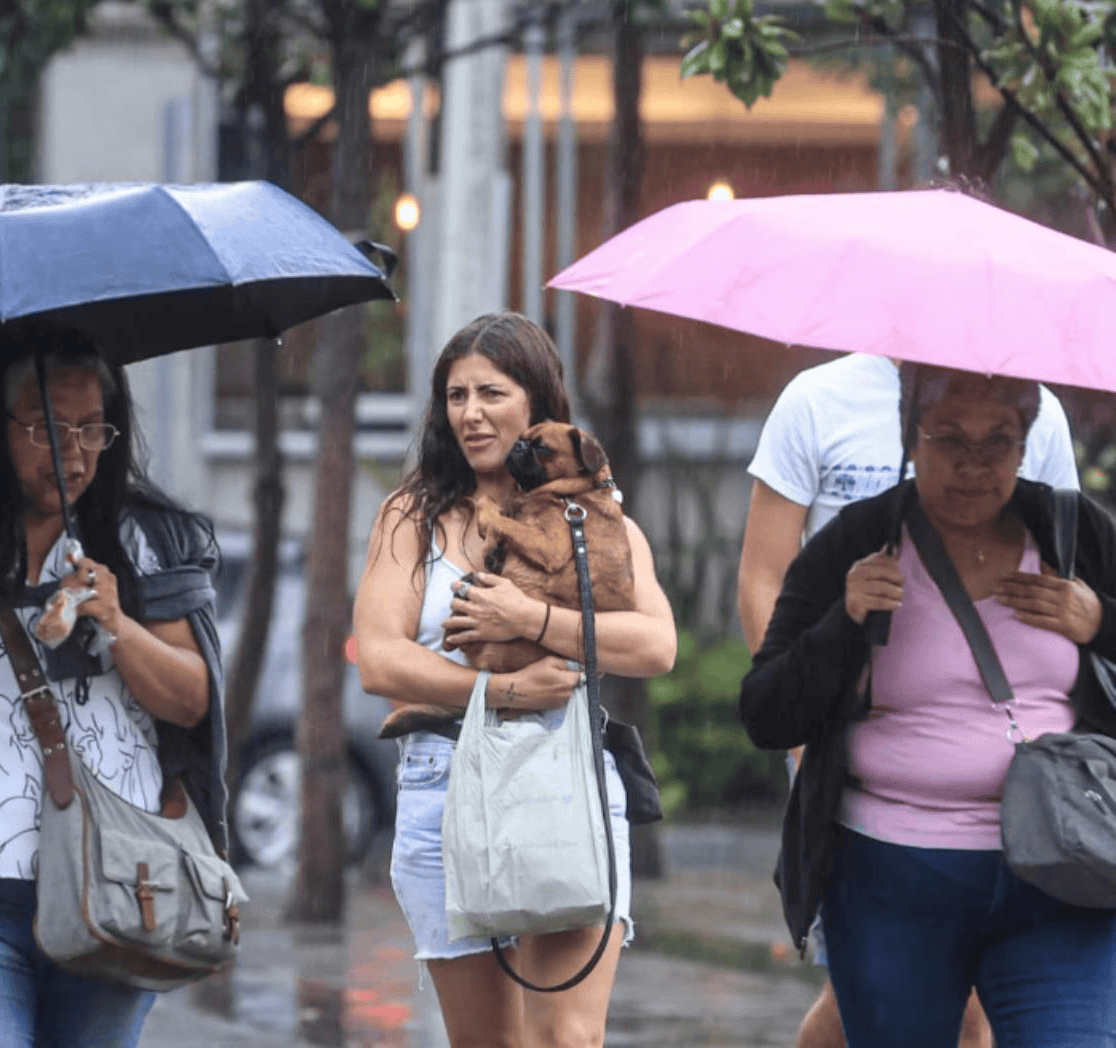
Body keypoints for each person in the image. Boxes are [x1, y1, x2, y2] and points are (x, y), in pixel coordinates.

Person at [0, 326, 227, 1048]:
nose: (76, 453)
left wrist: (118, 622)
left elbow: (190, 699)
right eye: (48, 428)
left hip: (119, 885)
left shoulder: (149, 540)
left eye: (95, 428)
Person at [740, 362, 1116, 1047]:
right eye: (950, 439)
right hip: (892, 882)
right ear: (911, 439)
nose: (974, 465)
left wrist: (1099, 623)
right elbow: (766, 710)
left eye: (996, 441)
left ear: (1026, 444)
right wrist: (844, 618)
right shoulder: (859, 540)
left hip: (1063, 872)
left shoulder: (1072, 531)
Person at [354, 312, 676, 1048]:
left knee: (566, 1037)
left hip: (565, 777)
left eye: (491, 393)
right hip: (446, 783)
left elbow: (655, 645)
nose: (471, 413)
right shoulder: (413, 516)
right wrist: (496, 692)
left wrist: (530, 618)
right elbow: (380, 658)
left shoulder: (594, 517)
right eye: (456, 395)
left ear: (537, 401)